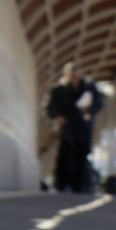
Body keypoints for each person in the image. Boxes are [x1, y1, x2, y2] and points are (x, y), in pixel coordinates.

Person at [45, 63, 103, 193]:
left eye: (77, 76)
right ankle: (61, 185)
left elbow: (99, 104)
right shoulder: (58, 90)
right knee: (65, 156)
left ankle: (79, 187)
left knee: (81, 157)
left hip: (84, 128)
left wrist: (89, 110)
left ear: (81, 75)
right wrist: (58, 116)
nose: (75, 79)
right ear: (67, 76)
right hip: (66, 129)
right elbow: (50, 108)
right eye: (72, 76)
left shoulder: (89, 89)